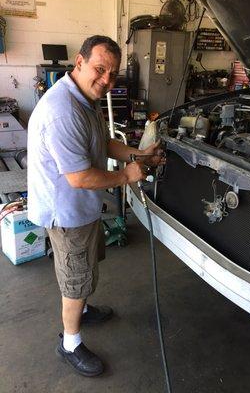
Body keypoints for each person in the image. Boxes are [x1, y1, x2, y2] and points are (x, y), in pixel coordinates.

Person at [27, 35, 164, 377]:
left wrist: (138, 155)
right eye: (99, 69)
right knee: (75, 280)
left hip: (83, 207)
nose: (106, 80)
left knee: (85, 270)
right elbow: (79, 178)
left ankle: (83, 311)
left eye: (112, 74)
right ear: (79, 62)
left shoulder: (85, 99)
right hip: (67, 211)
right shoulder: (63, 111)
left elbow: (102, 143)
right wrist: (127, 175)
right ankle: (69, 343)